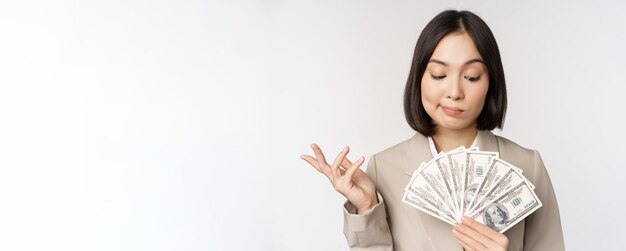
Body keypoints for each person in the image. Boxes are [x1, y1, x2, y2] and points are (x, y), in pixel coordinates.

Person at [300, 10, 564, 251]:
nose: (454, 92)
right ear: (419, 78)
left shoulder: (527, 166)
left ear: (490, 82)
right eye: (439, 75)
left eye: (471, 76)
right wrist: (367, 207)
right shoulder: (384, 168)